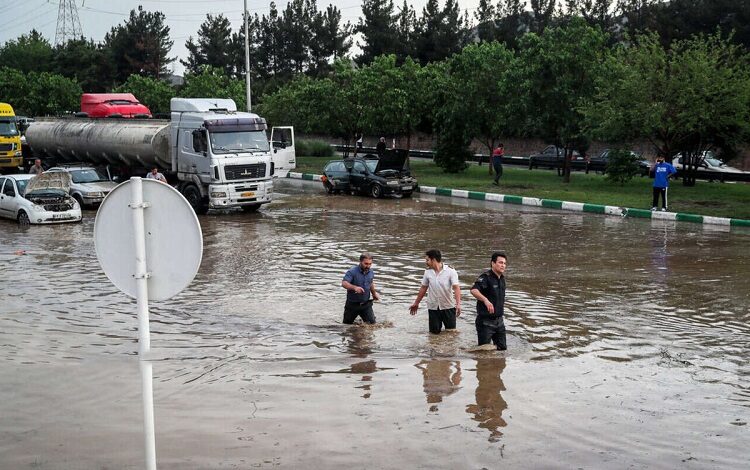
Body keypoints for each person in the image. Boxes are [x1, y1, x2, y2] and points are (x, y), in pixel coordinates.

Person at [409, 249, 462, 334]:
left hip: (448, 306)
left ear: (433, 260)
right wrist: (416, 303)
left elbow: (456, 288)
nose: (426, 262)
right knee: (433, 334)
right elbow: (423, 288)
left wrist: (458, 304)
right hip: (433, 307)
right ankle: (435, 347)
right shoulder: (427, 272)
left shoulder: (450, 271)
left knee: (451, 333)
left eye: (427, 260)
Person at [469, 252, 508, 351]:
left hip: (499, 322)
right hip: (485, 323)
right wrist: (485, 300)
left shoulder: (502, 279)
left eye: (504, 263)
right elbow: (474, 290)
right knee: (484, 353)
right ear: (493, 263)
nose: (503, 265)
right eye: (500, 262)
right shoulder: (486, 277)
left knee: (502, 350)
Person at [341, 253, 381, 324]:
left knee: (372, 325)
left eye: (370, 264)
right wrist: (355, 288)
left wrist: (374, 294)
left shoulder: (371, 272)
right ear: (360, 261)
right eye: (366, 263)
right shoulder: (352, 272)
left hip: (366, 305)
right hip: (352, 305)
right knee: (346, 326)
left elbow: (370, 282)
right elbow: (344, 283)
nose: (368, 266)